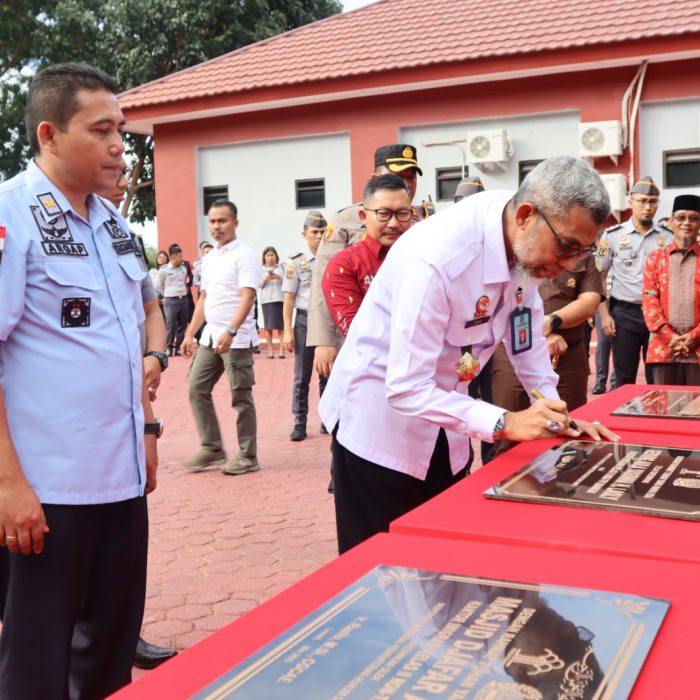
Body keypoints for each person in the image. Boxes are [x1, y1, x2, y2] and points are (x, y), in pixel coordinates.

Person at [318, 156, 619, 554]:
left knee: (442, 560)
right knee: (382, 571)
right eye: (566, 248)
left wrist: (552, 408)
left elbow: (523, 330)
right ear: (526, 215)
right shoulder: (438, 259)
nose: (567, 264)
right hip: (381, 433)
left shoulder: (520, 236)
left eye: (581, 252)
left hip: (449, 420)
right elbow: (406, 388)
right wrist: (506, 421)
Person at [0, 62, 157, 698]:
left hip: (119, 481)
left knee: (109, 656)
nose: (120, 143)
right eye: (101, 129)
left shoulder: (115, 224)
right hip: (48, 490)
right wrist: (8, 484)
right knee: (37, 665)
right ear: (49, 134)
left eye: (121, 128)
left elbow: (128, 334)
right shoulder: (12, 218)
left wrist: (148, 429)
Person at [103, 165, 177, 670]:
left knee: (121, 552)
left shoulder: (123, 235)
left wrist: (157, 355)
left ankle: (123, 635)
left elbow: (146, 314)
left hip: (122, 415)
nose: (124, 182)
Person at [307, 143, 423, 377]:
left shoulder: (423, 221)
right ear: (374, 177)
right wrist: (323, 340)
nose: (406, 183)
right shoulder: (345, 219)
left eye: (411, 177)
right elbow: (322, 279)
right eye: (397, 176)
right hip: (352, 337)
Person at [492, 255, 605, 454]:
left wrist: (551, 322)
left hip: (567, 353)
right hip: (513, 351)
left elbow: (590, 301)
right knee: (510, 437)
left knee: (569, 432)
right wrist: (542, 333)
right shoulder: (517, 248)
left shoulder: (585, 251)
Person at [182, 200, 262, 475]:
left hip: (235, 339)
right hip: (210, 336)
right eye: (213, 221)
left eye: (222, 221)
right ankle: (213, 447)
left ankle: (248, 456)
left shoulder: (245, 255)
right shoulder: (210, 257)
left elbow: (248, 296)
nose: (216, 226)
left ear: (235, 223)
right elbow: (203, 298)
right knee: (196, 386)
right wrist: (190, 333)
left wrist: (231, 330)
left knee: (240, 397)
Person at [596, 176, 672, 386]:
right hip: (625, 315)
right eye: (642, 201)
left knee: (657, 376)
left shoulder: (669, 236)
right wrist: (604, 315)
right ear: (630, 202)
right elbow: (598, 276)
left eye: (653, 202)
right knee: (623, 378)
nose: (647, 207)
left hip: (659, 316)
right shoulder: (610, 236)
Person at [321, 174, 413, 335]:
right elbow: (359, 333)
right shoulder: (344, 265)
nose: (394, 223)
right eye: (383, 214)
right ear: (363, 217)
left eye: (403, 213)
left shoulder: (427, 257)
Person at [642, 194, 700, 385]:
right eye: (681, 217)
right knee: (665, 409)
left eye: (693, 218)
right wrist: (671, 338)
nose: (687, 223)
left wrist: (692, 338)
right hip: (663, 350)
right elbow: (650, 302)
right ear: (671, 221)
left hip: (698, 350)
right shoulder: (655, 259)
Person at [282, 211, 329, 441]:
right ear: (305, 234)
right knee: (302, 376)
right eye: (314, 232)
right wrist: (288, 331)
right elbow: (288, 299)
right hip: (304, 321)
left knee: (327, 372)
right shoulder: (296, 262)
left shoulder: (332, 257)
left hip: (326, 321)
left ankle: (327, 419)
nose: (319, 236)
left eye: (322, 232)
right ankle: (299, 422)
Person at [155, 243, 191, 356]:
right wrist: (165, 295)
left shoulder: (183, 269)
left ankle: (179, 346)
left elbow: (185, 282)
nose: (182, 258)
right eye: (180, 257)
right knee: (171, 325)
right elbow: (158, 285)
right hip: (170, 301)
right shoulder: (164, 270)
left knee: (183, 324)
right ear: (173, 257)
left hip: (184, 300)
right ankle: (169, 347)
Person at [259, 245, 285, 358]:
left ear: (276, 256)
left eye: (272, 255)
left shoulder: (282, 267)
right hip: (267, 301)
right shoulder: (260, 269)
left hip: (280, 299)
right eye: (268, 255)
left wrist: (279, 277)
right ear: (264, 257)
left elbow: (288, 282)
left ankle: (281, 350)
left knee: (281, 326)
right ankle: (270, 350)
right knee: (268, 327)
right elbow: (257, 284)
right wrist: (264, 279)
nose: (270, 257)